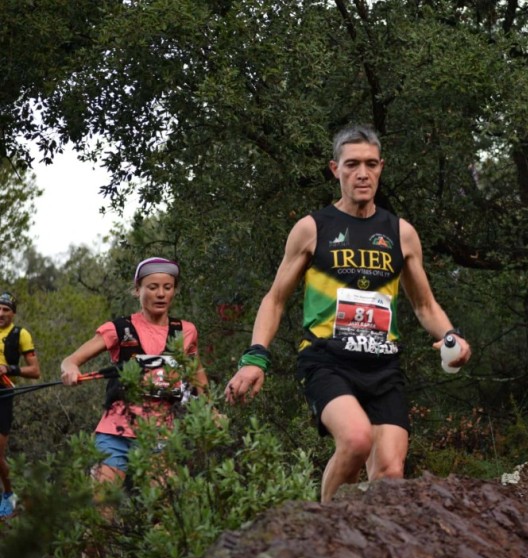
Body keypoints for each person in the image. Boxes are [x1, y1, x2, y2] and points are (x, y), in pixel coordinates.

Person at [225, 125, 472, 502]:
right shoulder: (312, 228)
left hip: (383, 365)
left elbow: (424, 305)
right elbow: (275, 299)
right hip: (327, 359)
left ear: (381, 168)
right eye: (352, 164)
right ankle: (326, 534)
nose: (362, 173)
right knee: (356, 440)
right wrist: (255, 357)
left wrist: (452, 337)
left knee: (390, 472)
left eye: (371, 164)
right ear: (334, 169)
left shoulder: (400, 233)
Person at [61, 257, 208, 487]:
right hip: (114, 430)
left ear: (174, 291)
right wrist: (70, 369)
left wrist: (211, 411)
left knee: (162, 509)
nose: (160, 294)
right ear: (137, 289)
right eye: (152, 287)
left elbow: (197, 375)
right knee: (102, 509)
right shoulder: (119, 328)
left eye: (167, 287)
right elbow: (71, 360)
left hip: (161, 433)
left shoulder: (186, 331)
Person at [0, 291, 41, 518]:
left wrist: (9, 369)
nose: (0, 313)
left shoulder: (20, 334)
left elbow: (35, 371)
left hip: (4, 393)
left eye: (6, 309)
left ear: (13, 313)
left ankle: (8, 494)